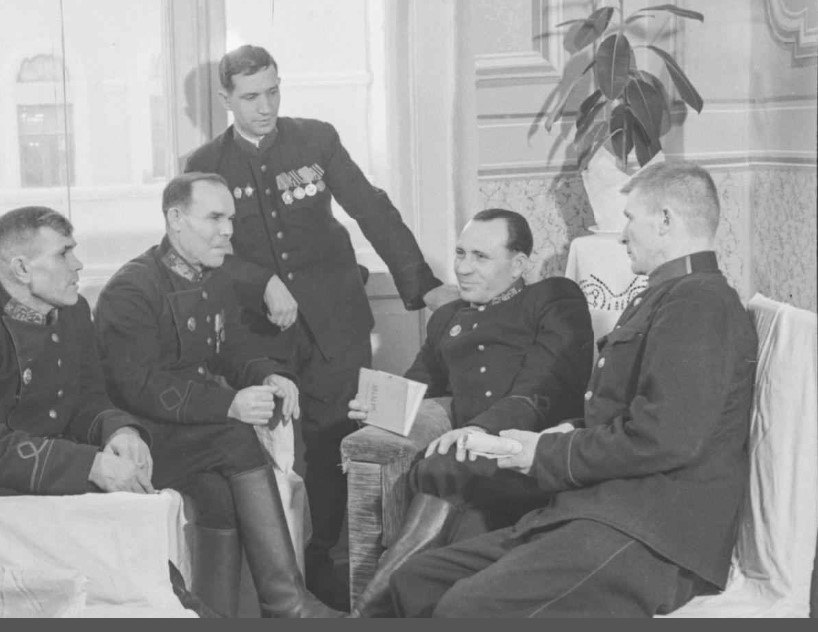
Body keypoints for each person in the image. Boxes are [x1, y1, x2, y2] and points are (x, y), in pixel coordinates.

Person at [385, 161, 758, 617]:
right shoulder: (666, 296)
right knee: (416, 580)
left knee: (464, 608)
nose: (623, 235)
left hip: (654, 534)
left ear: (665, 220)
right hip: (603, 510)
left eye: (630, 219)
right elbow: (630, 414)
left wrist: (543, 453)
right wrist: (559, 432)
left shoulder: (699, 302)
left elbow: (665, 438)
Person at [183, 44, 459, 609]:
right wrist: (260, 281)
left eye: (273, 91)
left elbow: (372, 210)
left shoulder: (316, 140)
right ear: (226, 98)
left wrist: (422, 284)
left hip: (337, 324)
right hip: (260, 334)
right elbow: (204, 249)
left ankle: (334, 568)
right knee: (272, 451)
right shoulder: (206, 164)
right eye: (251, 97)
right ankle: (282, 578)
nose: (266, 107)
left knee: (340, 442)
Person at [0, 205, 213, 616]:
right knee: (130, 543)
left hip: (59, 468)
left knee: (144, 530)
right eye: (64, 253)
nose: (78, 264)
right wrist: (91, 465)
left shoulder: (74, 311)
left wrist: (120, 431)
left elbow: (88, 399)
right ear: (22, 268)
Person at [94, 172, 345, 617]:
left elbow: (230, 351)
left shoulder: (214, 276)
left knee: (219, 496)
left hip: (190, 435)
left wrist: (268, 374)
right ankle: (288, 604)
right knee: (234, 437)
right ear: (175, 218)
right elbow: (136, 388)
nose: (228, 230)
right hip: (142, 437)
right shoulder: (131, 289)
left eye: (230, 218)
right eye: (214, 218)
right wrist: (228, 403)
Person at [347, 209, 594, 616]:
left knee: (446, 472)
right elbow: (416, 388)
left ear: (518, 264)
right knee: (450, 486)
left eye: (480, 256)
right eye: (460, 253)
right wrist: (374, 409)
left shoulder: (553, 297)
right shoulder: (447, 318)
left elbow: (542, 389)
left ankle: (368, 612)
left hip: (532, 455)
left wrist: (478, 432)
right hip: (464, 466)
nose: (463, 268)